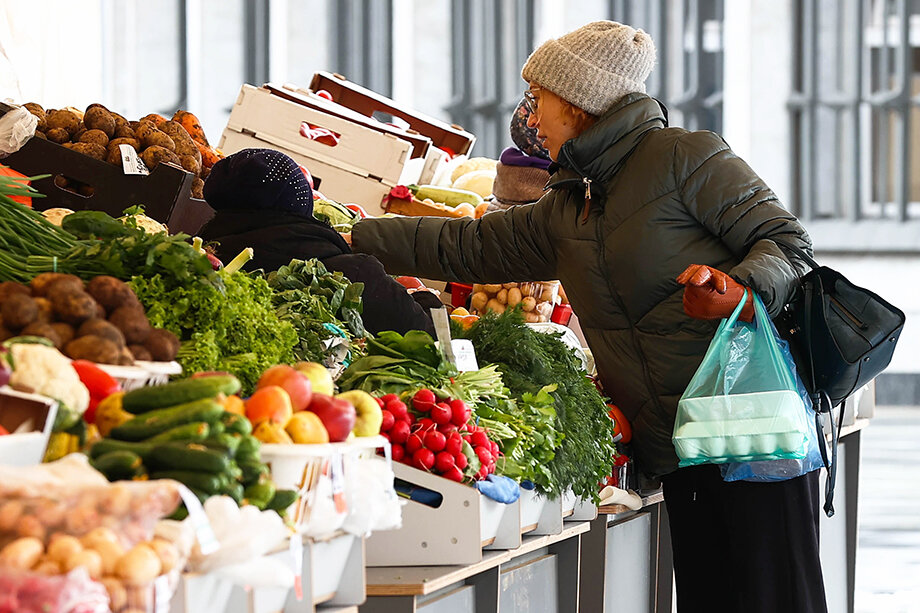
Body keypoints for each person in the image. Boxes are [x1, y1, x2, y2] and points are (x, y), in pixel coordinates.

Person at [349, 21, 826, 613]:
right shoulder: (572, 201)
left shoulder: (686, 158)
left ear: (577, 103)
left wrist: (740, 291)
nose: (530, 113)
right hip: (676, 450)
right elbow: (465, 246)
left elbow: (789, 245)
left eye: (539, 96)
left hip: (749, 438)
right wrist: (348, 233)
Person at [199, 148, 442, 336]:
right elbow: (435, 341)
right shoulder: (354, 274)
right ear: (301, 203)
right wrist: (427, 297)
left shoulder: (205, 260)